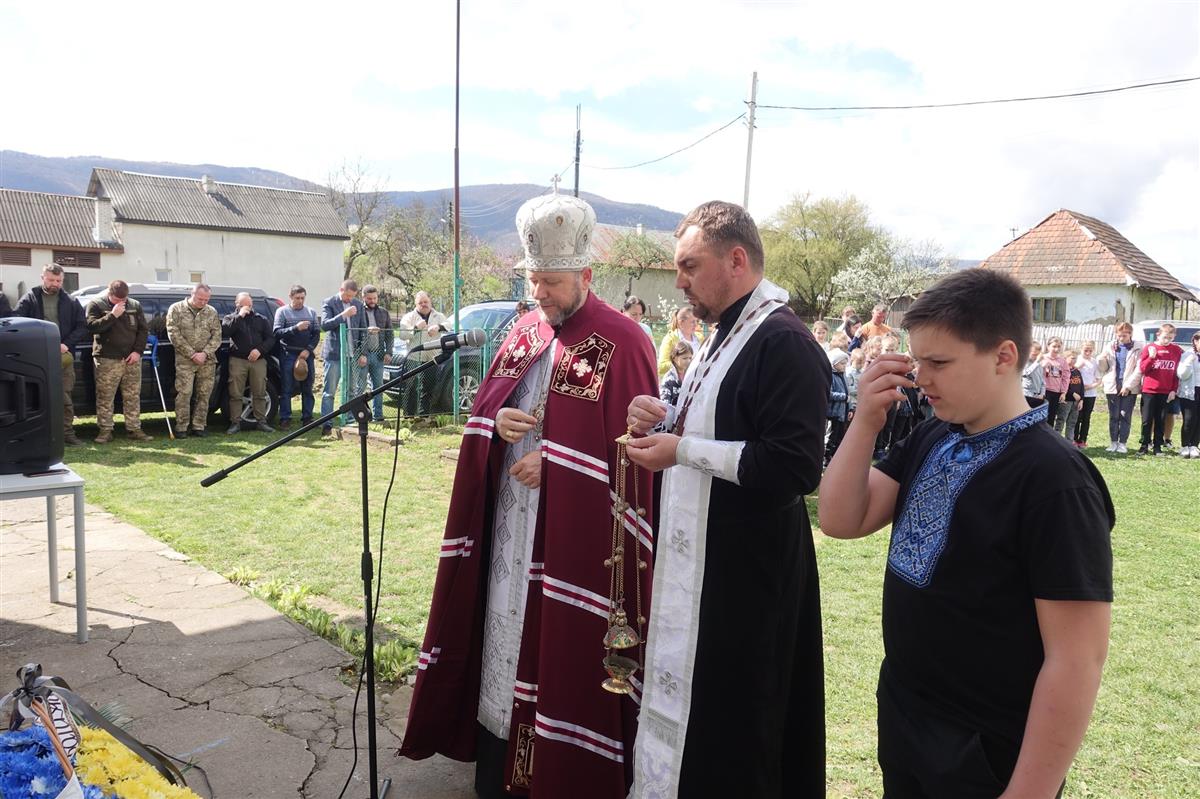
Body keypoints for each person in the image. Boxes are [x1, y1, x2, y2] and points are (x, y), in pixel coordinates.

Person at [399, 192, 659, 799]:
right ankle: (498, 771)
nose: (540, 293)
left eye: (552, 282)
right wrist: (498, 428)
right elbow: (488, 409)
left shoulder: (623, 341)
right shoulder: (523, 332)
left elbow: (639, 456)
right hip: (512, 533)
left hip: (573, 544)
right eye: (534, 280)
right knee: (504, 643)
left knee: (556, 655)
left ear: (587, 276)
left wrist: (561, 463)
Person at [819, 268, 1113, 799]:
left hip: (987, 748)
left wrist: (1030, 791)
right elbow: (841, 519)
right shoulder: (936, 434)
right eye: (917, 362)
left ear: (1003, 356)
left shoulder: (1055, 480)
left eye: (939, 363)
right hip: (908, 716)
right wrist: (864, 422)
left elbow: (1077, 656)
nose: (921, 379)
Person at [624, 200, 829, 798]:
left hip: (750, 575)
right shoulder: (724, 334)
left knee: (741, 723)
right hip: (706, 562)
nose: (680, 282)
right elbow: (717, 425)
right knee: (701, 712)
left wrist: (681, 448)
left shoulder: (784, 341)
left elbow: (794, 466)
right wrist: (662, 416)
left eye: (690, 266)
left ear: (736, 260)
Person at [15, 264, 90, 445]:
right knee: (34, 396)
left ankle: (67, 434)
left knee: (64, 396)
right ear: (43, 278)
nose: (55, 283)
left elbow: (82, 327)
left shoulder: (71, 301)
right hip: (36, 358)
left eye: (59, 280)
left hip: (63, 357)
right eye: (51, 280)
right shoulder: (30, 299)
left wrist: (66, 344)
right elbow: (16, 322)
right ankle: (36, 435)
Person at [85, 279, 152, 443]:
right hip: (107, 358)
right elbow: (92, 327)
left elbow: (143, 330)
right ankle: (105, 430)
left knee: (132, 395)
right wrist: (113, 315)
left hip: (131, 359)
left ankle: (134, 429)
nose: (121, 303)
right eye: (117, 300)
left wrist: (137, 351)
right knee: (105, 396)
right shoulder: (96, 305)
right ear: (110, 294)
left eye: (124, 300)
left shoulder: (134, 305)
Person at [165, 283, 221, 438]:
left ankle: (199, 426)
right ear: (192, 293)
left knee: (204, 394)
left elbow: (217, 336)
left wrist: (204, 353)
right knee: (184, 393)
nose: (203, 302)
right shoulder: (176, 309)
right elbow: (173, 334)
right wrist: (192, 354)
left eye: (206, 299)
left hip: (207, 361)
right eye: (200, 298)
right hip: (185, 361)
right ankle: (181, 427)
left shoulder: (211, 312)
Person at [222, 292, 276, 434]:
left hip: (258, 361)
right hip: (238, 360)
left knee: (259, 391)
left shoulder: (261, 319)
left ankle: (261, 421)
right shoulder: (230, 318)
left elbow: (270, 339)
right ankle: (235, 423)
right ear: (237, 305)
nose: (249, 308)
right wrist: (240, 316)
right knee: (235, 393)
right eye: (245, 305)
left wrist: (259, 350)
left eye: (250, 305)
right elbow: (226, 331)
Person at [319, 279, 367, 438]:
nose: (349, 300)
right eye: (347, 296)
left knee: (352, 390)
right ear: (341, 289)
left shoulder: (359, 305)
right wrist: (343, 315)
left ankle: (350, 420)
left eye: (351, 297)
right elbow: (325, 325)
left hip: (352, 354)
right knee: (330, 391)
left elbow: (363, 330)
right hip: (334, 354)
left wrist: (362, 353)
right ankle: (327, 424)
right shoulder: (329, 303)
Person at [273, 284, 320, 430]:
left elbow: (317, 334)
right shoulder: (282, 312)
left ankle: (307, 418)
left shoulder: (311, 312)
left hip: (306, 355)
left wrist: (308, 350)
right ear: (290, 297)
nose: (300, 301)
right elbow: (277, 333)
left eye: (302, 298)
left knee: (307, 387)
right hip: (288, 353)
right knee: (287, 387)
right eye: (297, 298)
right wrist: (295, 328)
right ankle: (285, 418)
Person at [398, 291, 447, 417]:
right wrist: (415, 328)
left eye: (426, 302)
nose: (424, 305)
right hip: (414, 358)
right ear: (416, 304)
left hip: (432, 358)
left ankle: (423, 416)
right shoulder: (409, 317)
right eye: (420, 303)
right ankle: (408, 416)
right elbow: (402, 335)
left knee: (428, 389)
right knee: (411, 388)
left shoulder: (438, 316)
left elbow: (450, 325)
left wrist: (439, 327)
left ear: (430, 302)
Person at [1136, 323, 1182, 456]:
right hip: (1149, 390)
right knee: (1147, 419)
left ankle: (1158, 446)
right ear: (1158, 335)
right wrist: (1151, 357)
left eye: (1170, 337)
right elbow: (1143, 369)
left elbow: (1176, 373)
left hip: (1166, 391)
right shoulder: (1149, 348)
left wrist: (1173, 389)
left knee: (1161, 419)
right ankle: (1144, 445)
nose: (1167, 339)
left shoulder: (1176, 350)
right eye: (1164, 337)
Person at [1096, 322, 1142, 453]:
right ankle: (1113, 442)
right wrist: (1100, 359)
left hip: (1129, 386)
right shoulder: (1110, 346)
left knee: (1125, 415)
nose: (1121, 338)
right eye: (1119, 335)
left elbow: (1139, 369)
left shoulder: (1138, 347)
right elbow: (1103, 368)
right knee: (1114, 416)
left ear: (1130, 334)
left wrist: (1128, 386)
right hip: (1112, 385)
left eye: (1125, 335)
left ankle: (1122, 443)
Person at [360, 285, 395, 422]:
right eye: (369, 298)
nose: (372, 301)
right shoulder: (358, 311)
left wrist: (389, 352)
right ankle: (361, 416)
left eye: (374, 298)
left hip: (379, 354)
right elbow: (354, 332)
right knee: (360, 387)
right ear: (363, 297)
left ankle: (378, 416)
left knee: (378, 387)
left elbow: (390, 334)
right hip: (363, 355)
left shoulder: (383, 312)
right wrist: (367, 330)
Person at [656, 306, 704, 377]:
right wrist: (681, 364)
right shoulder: (670, 339)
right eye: (692, 322)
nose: (696, 324)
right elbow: (661, 367)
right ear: (681, 322)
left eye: (697, 321)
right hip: (678, 383)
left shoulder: (700, 338)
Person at [1177, 332, 1199, 458]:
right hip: (1190, 391)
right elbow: (1182, 375)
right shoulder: (1188, 354)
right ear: (1195, 341)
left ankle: (1194, 445)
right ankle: (1185, 446)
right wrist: (1189, 362)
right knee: (1189, 420)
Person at [1074, 340, 1100, 449]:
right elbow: (1071, 373)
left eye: (1090, 350)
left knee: (1086, 417)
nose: (1088, 353)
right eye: (1086, 350)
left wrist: (1091, 386)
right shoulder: (1077, 360)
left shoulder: (1094, 362)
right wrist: (1077, 367)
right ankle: (1074, 439)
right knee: (1076, 417)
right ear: (1081, 349)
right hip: (1078, 394)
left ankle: (1083, 440)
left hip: (1090, 394)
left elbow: (1098, 379)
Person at [826, 347, 850, 465]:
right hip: (833, 413)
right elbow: (828, 393)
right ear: (834, 363)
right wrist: (844, 397)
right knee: (831, 436)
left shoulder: (842, 375)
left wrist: (849, 406)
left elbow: (848, 392)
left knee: (839, 436)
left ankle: (835, 458)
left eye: (845, 363)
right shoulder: (830, 376)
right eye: (842, 363)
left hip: (842, 412)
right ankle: (826, 458)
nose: (844, 366)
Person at [1041, 336, 1070, 429]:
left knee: (1051, 417)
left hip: (1056, 392)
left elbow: (1066, 377)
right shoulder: (1042, 358)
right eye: (1054, 346)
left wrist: (1063, 392)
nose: (1056, 349)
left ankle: (1048, 439)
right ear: (1048, 346)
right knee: (1042, 417)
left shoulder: (1062, 361)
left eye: (1058, 346)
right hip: (1044, 391)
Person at [1057, 349, 1084, 440]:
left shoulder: (1077, 371)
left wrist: (1081, 399)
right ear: (1065, 358)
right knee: (1061, 420)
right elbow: (1062, 384)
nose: (1074, 360)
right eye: (1072, 358)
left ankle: (1069, 441)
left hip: (1076, 402)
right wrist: (1072, 393)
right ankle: (1057, 440)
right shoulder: (1063, 370)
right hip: (1067, 400)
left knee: (1072, 422)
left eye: (1076, 358)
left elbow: (1081, 386)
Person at [659, 340, 693, 406]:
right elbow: (665, 404)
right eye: (685, 358)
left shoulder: (692, 375)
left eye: (690, 358)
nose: (688, 361)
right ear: (674, 358)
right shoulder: (669, 379)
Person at [1023, 341, 1046, 408]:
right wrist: (1037, 361)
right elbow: (1025, 373)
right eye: (1034, 354)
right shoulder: (1025, 362)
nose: (1036, 357)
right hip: (1027, 393)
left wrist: (1042, 393)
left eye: (1038, 355)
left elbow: (1042, 381)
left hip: (1037, 395)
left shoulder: (1039, 364)